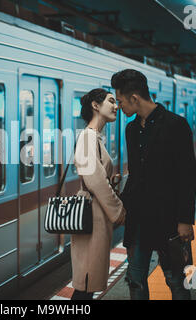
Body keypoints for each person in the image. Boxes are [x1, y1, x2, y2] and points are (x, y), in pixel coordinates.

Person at [111, 69, 196, 300]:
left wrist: (185, 220)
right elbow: (136, 174)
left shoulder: (176, 125)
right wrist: (122, 206)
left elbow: (187, 176)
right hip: (138, 219)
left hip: (169, 219)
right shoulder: (131, 130)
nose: (119, 106)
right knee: (135, 279)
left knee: (177, 280)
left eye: (120, 101)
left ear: (134, 98)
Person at [71, 88, 126, 300]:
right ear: (96, 105)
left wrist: (111, 180)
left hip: (96, 214)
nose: (116, 106)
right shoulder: (87, 137)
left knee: (88, 284)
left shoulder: (94, 138)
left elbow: (95, 175)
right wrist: (119, 211)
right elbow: (94, 180)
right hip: (92, 216)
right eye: (111, 101)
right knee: (86, 282)